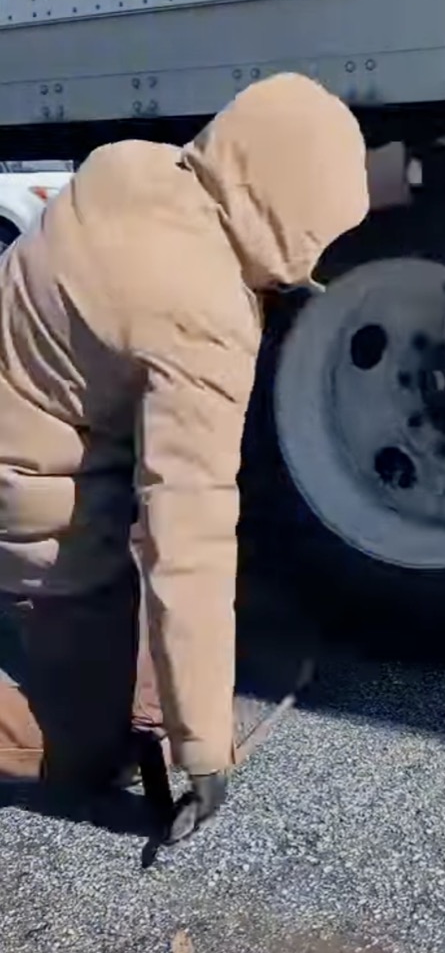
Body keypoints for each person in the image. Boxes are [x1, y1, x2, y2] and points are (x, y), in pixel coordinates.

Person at [0, 72, 369, 832]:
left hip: (31, 413)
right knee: (81, 753)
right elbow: (188, 537)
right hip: (27, 491)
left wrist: (392, 172)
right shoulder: (206, 318)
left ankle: (136, 691)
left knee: (137, 664)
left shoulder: (134, 166)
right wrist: (204, 746)